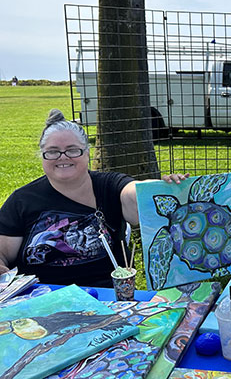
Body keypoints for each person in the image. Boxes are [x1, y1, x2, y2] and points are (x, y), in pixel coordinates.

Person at [0, 109, 188, 287]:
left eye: (73, 150)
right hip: (41, 299)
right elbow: (3, 253)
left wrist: (162, 189)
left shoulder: (109, 187)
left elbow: (136, 195)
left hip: (107, 297)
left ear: (87, 153)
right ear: (42, 156)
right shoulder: (22, 201)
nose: (63, 157)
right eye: (53, 151)